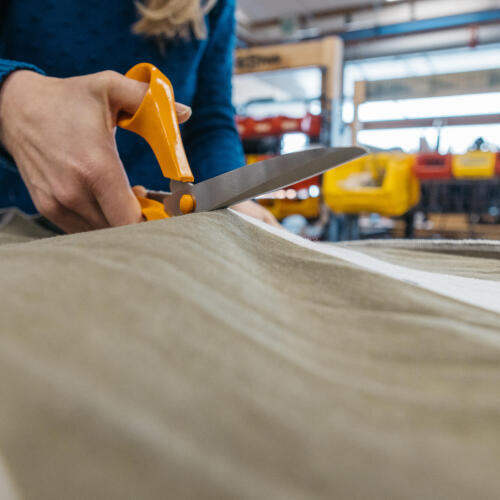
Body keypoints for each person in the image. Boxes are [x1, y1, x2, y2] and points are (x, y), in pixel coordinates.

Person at [0, 0, 278, 233]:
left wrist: (229, 194)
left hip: (157, 230)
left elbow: (209, 120)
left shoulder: (211, 4)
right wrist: (10, 96)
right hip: (16, 221)